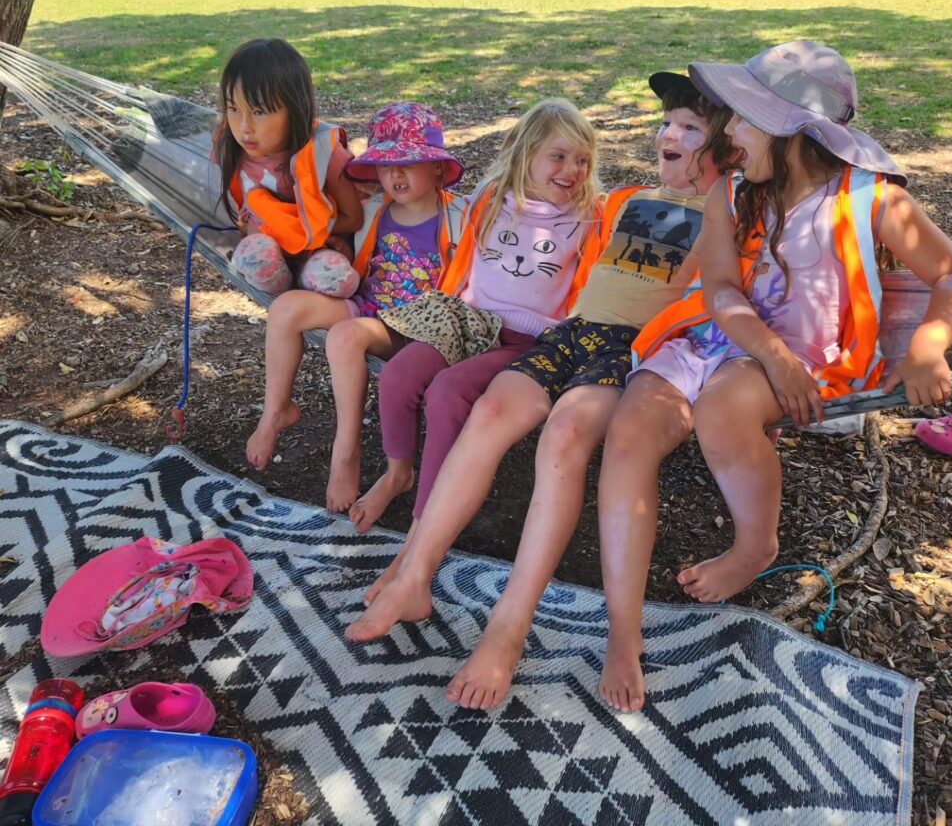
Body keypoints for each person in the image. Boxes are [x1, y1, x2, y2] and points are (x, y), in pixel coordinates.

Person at [596, 41, 952, 712]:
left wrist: (927, 345)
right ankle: (622, 631)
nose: (728, 133)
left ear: (791, 130)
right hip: (735, 340)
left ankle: (754, 545)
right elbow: (719, 288)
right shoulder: (736, 191)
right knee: (627, 432)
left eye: (742, 118)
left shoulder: (871, 201)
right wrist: (766, 352)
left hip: (814, 360)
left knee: (722, 407)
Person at [344, 80, 736, 703]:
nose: (669, 135)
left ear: (730, 147)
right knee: (493, 407)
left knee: (565, 433)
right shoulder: (627, 200)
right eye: (669, 123)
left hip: (633, 350)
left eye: (691, 129)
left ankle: (508, 630)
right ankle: (415, 576)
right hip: (573, 333)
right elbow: (539, 214)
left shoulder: (732, 215)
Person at [345, 98, 603, 533]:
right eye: (558, 156)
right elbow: (428, 206)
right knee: (397, 377)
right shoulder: (491, 198)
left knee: (446, 393)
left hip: (527, 341)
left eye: (582, 160)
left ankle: (426, 522)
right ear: (524, 155)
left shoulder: (589, 217)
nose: (572, 169)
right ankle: (398, 473)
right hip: (466, 321)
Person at [245, 102, 466, 487]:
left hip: (418, 330)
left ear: (436, 167)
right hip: (369, 308)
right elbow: (315, 204)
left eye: (408, 163)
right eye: (384, 164)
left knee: (346, 336)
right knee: (286, 308)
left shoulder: (462, 217)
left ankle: (345, 451)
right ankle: (275, 411)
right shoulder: (375, 209)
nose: (395, 174)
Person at [215, 38, 364, 301]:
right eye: (233, 108)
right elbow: (244, 219)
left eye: (259, 111)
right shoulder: (231, 151)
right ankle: (283, 294)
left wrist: (306, 231)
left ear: (295, 109)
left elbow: (355, 218)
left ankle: (300, 290)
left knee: (335, 277)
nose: (244, 126)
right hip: (270, 259)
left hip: (316, 254)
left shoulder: (323, 154)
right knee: (253, 255)